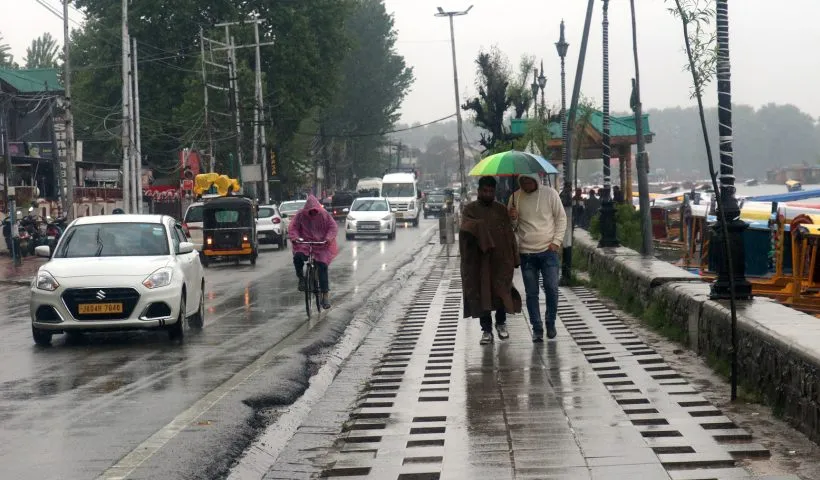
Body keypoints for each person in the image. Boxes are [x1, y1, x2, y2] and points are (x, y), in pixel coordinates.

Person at [460, 176, 522, 345]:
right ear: (479, 191)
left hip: (501, 260)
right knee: (483, 295)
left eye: (491, 191)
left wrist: (515, 258)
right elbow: (465, 228)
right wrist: (479, 227)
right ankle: (486, 330)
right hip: (480, 262)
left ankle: (501, 323)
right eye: (485, 191)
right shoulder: (470, 209)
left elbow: (510, 234)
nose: (488, 194)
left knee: (501, 291)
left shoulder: (501, 209)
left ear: (495, 192)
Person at [508, 174, 567, 342]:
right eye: (523, 182)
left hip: (548, 250)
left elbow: (561, 218)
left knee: (551, 288)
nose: (526, 184)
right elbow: (512, 227)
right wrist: (512, 218)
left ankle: (550, 322)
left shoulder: (550, 194)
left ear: (535, 180)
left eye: (529, 181)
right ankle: (537, 327)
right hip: (526, 253)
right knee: (531, 293)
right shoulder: (515, 197)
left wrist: (556, 242)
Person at [288, 195, 339, 309]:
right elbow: (293, 228)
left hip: (321, 245)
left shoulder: (324, 215)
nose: (312, 214)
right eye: (310, 212)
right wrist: (295, 237)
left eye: (314, 212)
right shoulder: (300, 215)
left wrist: (328, 238)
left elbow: (333, 227)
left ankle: (325, 295)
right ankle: (301, 278)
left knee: (322, 267)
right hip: (304, 244)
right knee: (298, 257)